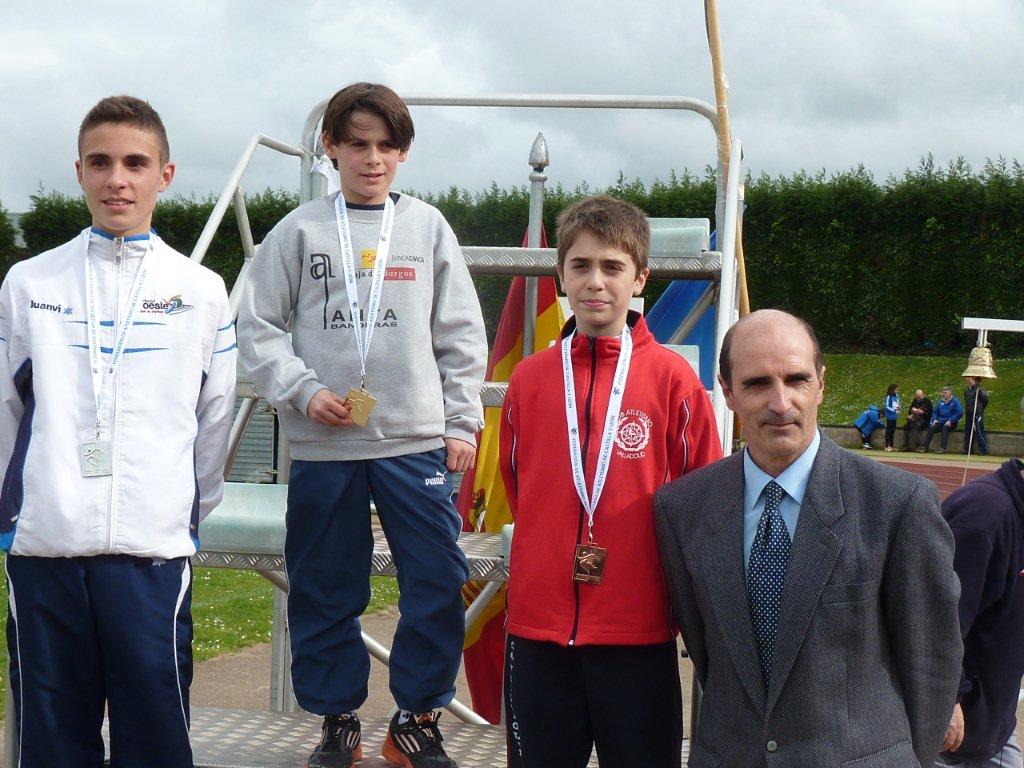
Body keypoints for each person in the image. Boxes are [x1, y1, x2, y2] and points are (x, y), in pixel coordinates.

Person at [237, 82, 486, 768]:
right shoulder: (300, 230)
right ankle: (337, 719)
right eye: (357, 144)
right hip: (326, 445)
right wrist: (303, 390)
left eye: (385, 145)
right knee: (325, 586)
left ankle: (415, 720)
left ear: (403, 152)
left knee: (435, 578)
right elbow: (258, 327)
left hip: (415, 441)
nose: (372, 158)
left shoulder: (427, 227)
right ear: (331, 148)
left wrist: (461, 422)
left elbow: (461, 332)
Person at [0, 95, 236, 767]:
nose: (117, 180)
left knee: (155, 736)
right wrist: (23, 513)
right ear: (79, 172)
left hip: (150, 553)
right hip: (46, 548)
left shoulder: (200, 290)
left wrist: (176, 512)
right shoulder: (28, 283)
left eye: (136, 163)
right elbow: (4, 411)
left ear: (165, 175)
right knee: (51, 739)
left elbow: (214, 421)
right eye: (100, 163)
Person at [654, 309, 962, 767]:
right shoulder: (682, 508)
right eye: (757, 384)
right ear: (728, 391)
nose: (781, 403)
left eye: (796, 379)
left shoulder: (898, 504)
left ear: (821, 384)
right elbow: (705, 650)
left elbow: (931, 661)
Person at [498, 196, 722, 768]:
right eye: (581, 265)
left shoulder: (674, 381)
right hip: (539, 630)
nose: (595, 281)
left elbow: (705, 501)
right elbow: (518, 485)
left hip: (637, 633)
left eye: (613, 267)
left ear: (640, 277)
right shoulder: (529, 379)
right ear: (561, 274)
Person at [935, 457, 1024, 767]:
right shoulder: (983, 515)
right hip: (950, 731)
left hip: (993, 722)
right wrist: (948, 699)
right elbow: (935, 619)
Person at [922, 386, 964, 454]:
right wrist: (934, 419)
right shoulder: (940, 402)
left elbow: (960, 413)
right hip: (940, 421)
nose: (943, 394)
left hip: (951, 422)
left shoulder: (955, 401)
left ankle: (942, 448)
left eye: (945, 392)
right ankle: (924, 447)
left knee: (945, 427)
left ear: (950, 392)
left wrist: (950, 420)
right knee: (932, 427)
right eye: (943, 392)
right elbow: (935, 412)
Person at [963, 377, 989, 456]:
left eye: (969, 379)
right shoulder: (966, 390)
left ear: (974, 380)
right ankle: (968, 449)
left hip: (977, 413)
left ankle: (983, 450)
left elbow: (985, 401)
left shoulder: (979, 390)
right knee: (968, 431)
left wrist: (979, 409)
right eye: (966, 379)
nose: (967, 381)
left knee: (979, 431)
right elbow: (966, 400)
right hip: (969, 413)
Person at [884, 383, 901, 451]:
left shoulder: (897, 396)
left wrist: (899, 408)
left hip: (895, 416)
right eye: (896, 390)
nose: (897, 391)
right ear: (892, 390)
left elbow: (898, 404)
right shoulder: (889, 396)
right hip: (890, 416)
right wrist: (894, 410)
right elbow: (887, 406)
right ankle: (887, 446)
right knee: (889, 430)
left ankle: (891, 445)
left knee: (893, 431)